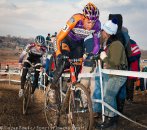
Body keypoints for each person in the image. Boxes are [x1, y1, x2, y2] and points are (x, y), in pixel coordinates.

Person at [48, 2, 101, 104]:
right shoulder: (75, 19)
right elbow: (58, 39)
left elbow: (97, 45)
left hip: (78, 44)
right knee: (63, 61)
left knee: (77, 67)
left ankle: (70, 89)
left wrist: (91, 55)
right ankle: (52, 87)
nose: (91, 26)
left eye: (93, 23)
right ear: (84, 17)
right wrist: (59, 54)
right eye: (88, 22)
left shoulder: (97, 25)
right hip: (66, 41)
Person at [95, 19, 128, 128]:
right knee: (107, 96)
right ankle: (109, 118)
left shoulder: (116, 44)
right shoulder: (110, 43)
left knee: (108, 96)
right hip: (112, 74)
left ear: (107, 32)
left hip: (118, 75)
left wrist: (104, 57)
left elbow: (114, 63)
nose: (102, 33)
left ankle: (111, 119)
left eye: (103, 31)